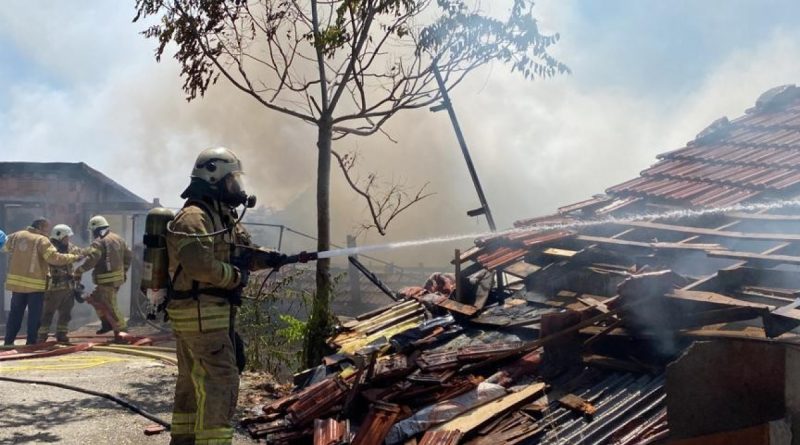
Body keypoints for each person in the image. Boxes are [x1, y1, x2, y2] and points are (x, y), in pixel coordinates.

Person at [165, 147, 288, 445]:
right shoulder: (194, 217)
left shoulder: (222, 216)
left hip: (205, 315)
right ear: (213, 176)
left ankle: (184, 440)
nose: (237, 188)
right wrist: (234, 277)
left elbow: (241, 254)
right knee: (221, 381)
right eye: (232, 181)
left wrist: (271, 258)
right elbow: (198, 265)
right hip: (201, 314)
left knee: (193, 382)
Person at [2, 218, 82, 345]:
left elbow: (3, 247)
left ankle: (8, 341)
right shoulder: (41, 240)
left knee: (15, 314)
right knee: (35, 316)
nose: (47, 231)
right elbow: (54, 258)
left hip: (17, 285)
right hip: (35, 286)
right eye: (46, 228)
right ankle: (31, 343)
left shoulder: (16, 236)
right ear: (40, 226)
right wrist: (74, 257)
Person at [73, 215, 132, 341]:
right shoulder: (118, 238)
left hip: (106, 281)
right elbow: (128, 255)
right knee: (96, 299)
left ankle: (122, 333)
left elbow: (92, 259)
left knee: (111, 306)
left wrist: (79, 271)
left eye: (92, 231)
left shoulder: (99, 241)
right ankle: (106, 323)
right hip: (117, 279)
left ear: (96, 229)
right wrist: (124, 270)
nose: (92, 234)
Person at [38, 224, 83, 343]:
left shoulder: (69, 247)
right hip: (53, 288)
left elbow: (80, 253)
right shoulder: (50, 248)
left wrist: (88, 252)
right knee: (47, 313)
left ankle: (62, 334)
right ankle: (42, 336)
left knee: (66, 313)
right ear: (59, 236)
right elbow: (56, 260)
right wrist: (74, 257)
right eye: (66, 237)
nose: (68, 240)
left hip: (68, 287)